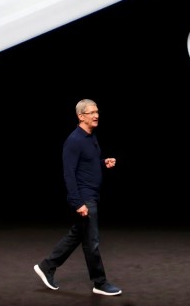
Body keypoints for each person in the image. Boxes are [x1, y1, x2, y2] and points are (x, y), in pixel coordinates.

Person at [33, 99, 122, 296]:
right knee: (92, 242)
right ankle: (99, 283)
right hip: (85, 198)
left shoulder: (91, 137)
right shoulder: (74, 141)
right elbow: (69, 174)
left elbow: (87, 164)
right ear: (81, 116)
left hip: (92, 196)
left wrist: (102, 163)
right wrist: (78, 203)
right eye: (91, 112)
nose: (96, 115)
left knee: (76, 236)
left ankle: (47, 266)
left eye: (97, 111)